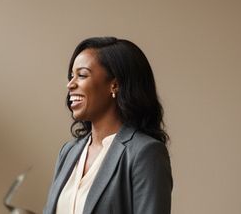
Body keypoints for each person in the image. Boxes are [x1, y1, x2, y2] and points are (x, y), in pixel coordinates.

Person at [44, 37, 172, 214]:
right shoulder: (69, 152)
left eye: (81, 75)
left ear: (115, 85)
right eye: (71, 76)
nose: (70, 84)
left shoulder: (145, 153)